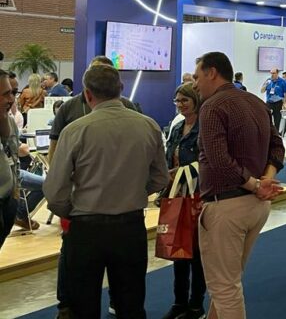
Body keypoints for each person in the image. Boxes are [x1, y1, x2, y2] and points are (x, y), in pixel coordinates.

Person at [43, 64, 170, 318]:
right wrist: (135, 192)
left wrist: (72, 210)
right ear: (120, 89)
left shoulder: (75, 130)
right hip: (131, 226)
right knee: (131, 305)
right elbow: (161, 178)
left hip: (86, 228)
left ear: (87, 94)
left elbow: (55, 191)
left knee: (83, 307)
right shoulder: (148, 126)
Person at [194, 52, 284, 319]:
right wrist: (265, 179)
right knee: (229, 280)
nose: (195, 84)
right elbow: (277, 146)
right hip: (256, 207)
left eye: (197, 77)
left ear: (212, 73)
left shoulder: (211, 106)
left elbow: (219, 160)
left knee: (224, 287)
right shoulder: (256, 102)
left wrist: (257, 184)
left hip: (227, 206)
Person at [162, 84, 206, 319]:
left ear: (195, 101)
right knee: (177, 252)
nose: (180, 105)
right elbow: (168, 157)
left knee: (197, 255)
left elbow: (208, 163)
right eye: (177, 101)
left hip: (198, 197)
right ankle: (179, 302)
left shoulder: (205, 128)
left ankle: (196, 305)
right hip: (176, 196)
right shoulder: (177, 127)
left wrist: (182, 172)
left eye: (184, 100)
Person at [0, 70, 19, 251]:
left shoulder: (9, 121)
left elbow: (14, 156)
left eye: (13, 93)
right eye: (6, 94)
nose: (11, 99)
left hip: (8, 199)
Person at [260, 68, 286, 135]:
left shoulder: (282, 82)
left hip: (278, 103)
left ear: (277, 73)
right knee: (267, 119)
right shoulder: (268, 81)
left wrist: (285, 103)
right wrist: (265, 85)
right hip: (269, 103)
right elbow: (262, 91)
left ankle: (276, 134)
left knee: (277, 120)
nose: (272, 75)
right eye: (271, 73)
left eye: (273, 73)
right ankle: (268, 134)